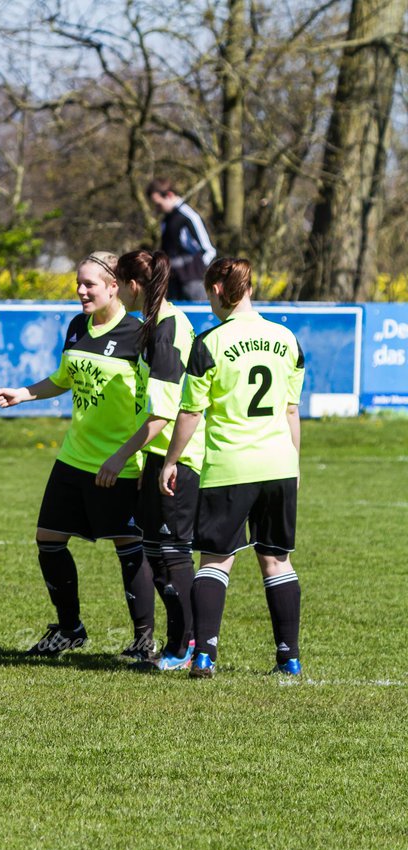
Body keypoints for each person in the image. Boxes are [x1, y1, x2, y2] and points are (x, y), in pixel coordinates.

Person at [0, 252, 155, 660]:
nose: (81, 291)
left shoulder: (139, 334)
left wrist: (128, 456)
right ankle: (69, 629)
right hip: (74, 456)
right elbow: (65, 377)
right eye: (78, 284)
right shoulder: (77, 326)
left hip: (119, 461)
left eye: (90, 285)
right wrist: (25, 393)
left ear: (114, 286)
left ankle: (143, 640)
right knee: (48, 540)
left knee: (128, 544)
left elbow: (159, 401)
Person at [161, 257, 305, 679]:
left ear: (218, 291)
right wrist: (293, 464)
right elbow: (292, 410)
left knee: (215, 560)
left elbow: (190, 412)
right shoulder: (287, 339)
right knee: (277, 560)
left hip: (231, 465)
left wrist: (171, 460)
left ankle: (204, 655)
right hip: (279, 463)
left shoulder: (209, 343)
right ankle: (289, 658)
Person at [97, 249, 205, 670]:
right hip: (158, 458)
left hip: (177, 457)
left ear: (132, 286)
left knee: (172, 554)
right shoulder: (157, 323)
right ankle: (183, 642)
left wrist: (120, 457)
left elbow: (163, 413)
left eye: (119, 283)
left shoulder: (167, 329)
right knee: (157, 555)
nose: (118, 291)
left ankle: (187, 645)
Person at [147, 178, 216, 301]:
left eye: (158, 204)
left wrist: (196, 271)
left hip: (193, 282)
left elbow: (209, 250)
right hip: (172, 281)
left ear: (169, 195)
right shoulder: (166, 220)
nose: (157, 209)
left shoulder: (189, 216)